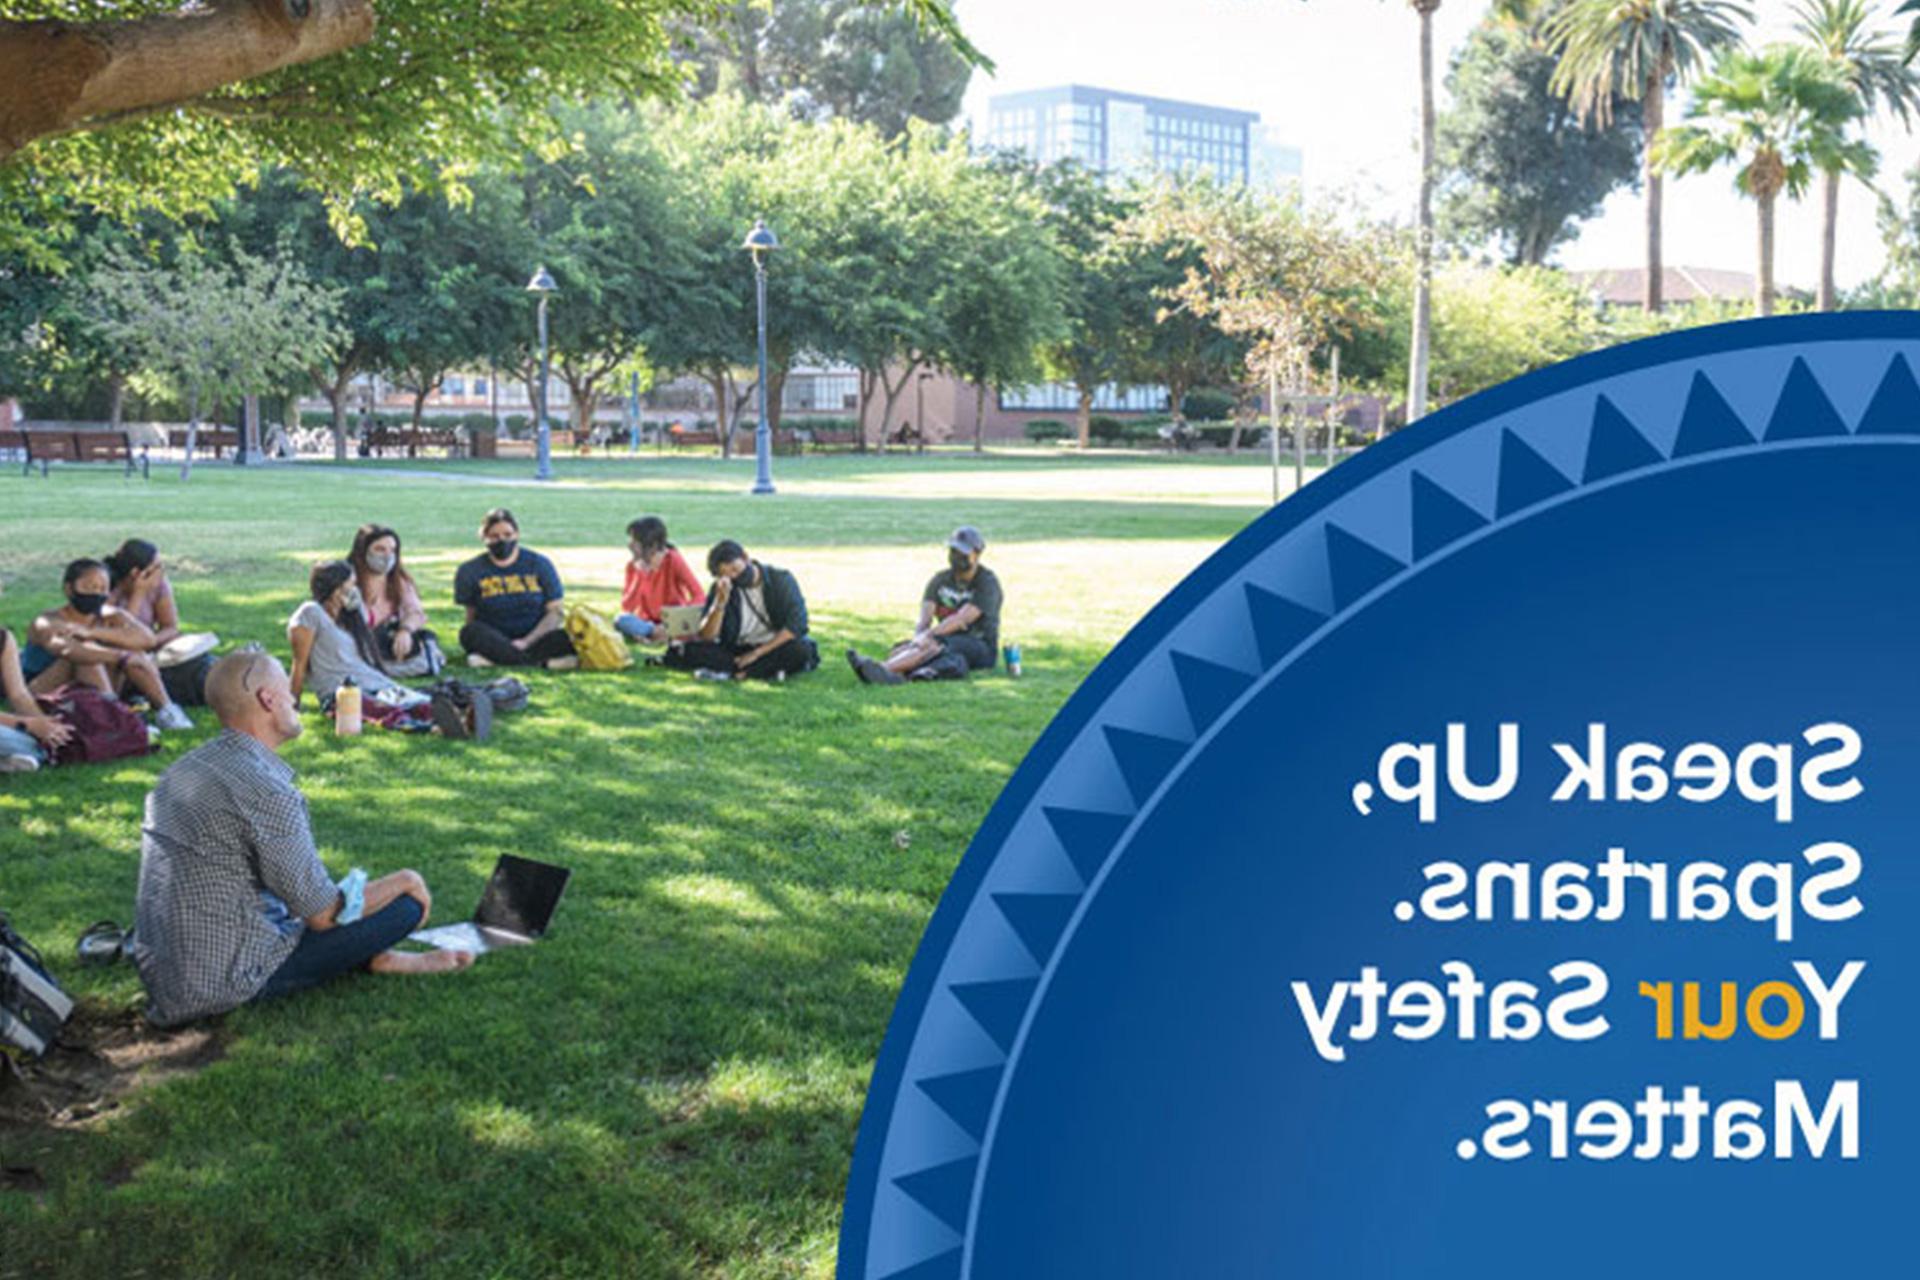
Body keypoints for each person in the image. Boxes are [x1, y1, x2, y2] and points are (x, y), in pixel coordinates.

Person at [130, 650, 473, 1027]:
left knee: (328, 890)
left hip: (163, 971)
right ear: (268, 699)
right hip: (224, 980)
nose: (295, 698)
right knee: (404, 904)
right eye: (286, 689)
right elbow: (323, 915)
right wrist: (407, 880)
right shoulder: (265, 790)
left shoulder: (184, 770)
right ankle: (379, 954)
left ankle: (380, 956)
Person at [24, 559, 193, 730]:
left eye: (102, 588)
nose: (96, 593)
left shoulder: (111, 615)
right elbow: (70, 650)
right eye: (89, 587)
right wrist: (124, 657)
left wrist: (92, 632)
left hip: (95, 689)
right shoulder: (47, 621)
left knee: (130, 647)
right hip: (42, 692)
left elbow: (147, 639)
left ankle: (167, 711)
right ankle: (116, 718)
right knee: (90, 658)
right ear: (69, 588)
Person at [848, 526, 1003, 685]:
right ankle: (889, 673)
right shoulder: (939, 580)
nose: (957, 556)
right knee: (904, 648)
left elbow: (961, 619)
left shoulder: (988, 583)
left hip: (980, 646)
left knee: (934, 644)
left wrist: (928, 636)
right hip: (948, 639)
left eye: (963, 552)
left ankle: (883, 669)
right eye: (953, 551)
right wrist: (917, 641)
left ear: (977, 554)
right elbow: (924, 620)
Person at [666, 540, 819, 681]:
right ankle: (763, 671)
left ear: (745, 557)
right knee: (691, 650)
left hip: (773, 645)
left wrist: (756, 654)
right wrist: (719, 605)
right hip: (738, 648)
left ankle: (739, 673)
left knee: (801, 649)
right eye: (727, 575)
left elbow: (797, 625)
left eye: (735, 569)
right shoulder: (723, 588)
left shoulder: (780, 579)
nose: (734, 576)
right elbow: (707, 636)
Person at [453, 508, 577, 670]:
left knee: (570, 636)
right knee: (469, 633)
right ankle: (542, 663)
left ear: (517, 534)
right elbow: (471, 616)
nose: (502, 541)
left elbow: (555, 612)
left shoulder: (539, 564)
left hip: (537, 636)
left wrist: (526, 641)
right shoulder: (470, 570)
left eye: (507, 535)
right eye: (494, 536)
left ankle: (497, 661)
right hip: (495, 637)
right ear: (484, 538)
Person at [105, 537, 220, 706]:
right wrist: (138, 594)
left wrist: (150, 642)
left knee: (202, 664)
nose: (162, 572)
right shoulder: (108, 589)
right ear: (137, 574)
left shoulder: (159, 585)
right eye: (157, 567)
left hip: (154, 654)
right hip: (122, 663)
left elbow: (170, 627)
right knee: (189, 679)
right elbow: (123, 636)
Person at [348, 523, 445, 678]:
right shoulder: (347, 582)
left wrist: (405, 630)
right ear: (363, 550)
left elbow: (415, 612)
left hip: (388, 645)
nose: (387, 556)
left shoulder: (399, 581)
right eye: (380, 549)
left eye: (392, 550)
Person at [0, 580, 72, 773]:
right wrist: (27, 724)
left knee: (32, 744)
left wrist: (46, 727)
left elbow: (19, 695)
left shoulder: (4, 639)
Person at [614, 515, 702, 642]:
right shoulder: (632, 567)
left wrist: (680, 616)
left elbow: (698, 595)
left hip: (672, 619)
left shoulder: (673, 560)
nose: (630, 545)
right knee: (621, 620)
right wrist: (640, 576)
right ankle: (654, 634)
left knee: (690, 626)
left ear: (652, 545)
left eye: (635, 542)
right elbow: (627, 606)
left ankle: (655, 636)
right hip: (647, 623)